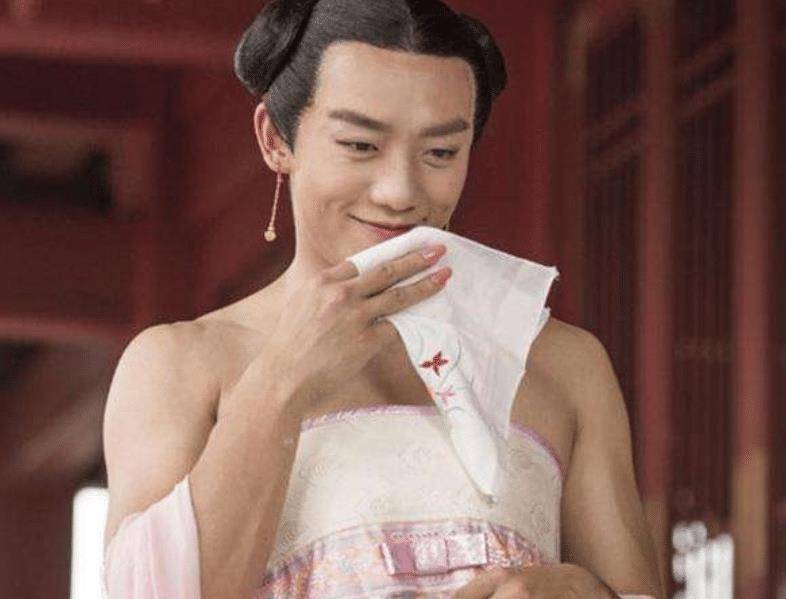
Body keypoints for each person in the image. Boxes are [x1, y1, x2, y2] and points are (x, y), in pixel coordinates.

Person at [101, 0, 664, 597]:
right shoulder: (179, 365)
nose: (400, 191)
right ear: (275, 139)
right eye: (360, 145)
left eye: (440, 152)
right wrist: (285, 376)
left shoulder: (561, 364)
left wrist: (578, 591)